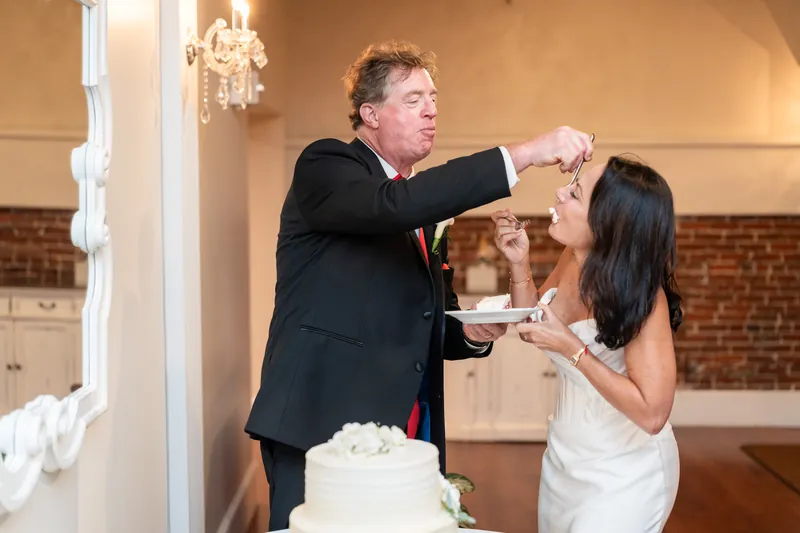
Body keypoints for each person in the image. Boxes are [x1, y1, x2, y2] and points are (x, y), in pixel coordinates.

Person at [244, 39, 594, 531]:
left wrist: (471, 334)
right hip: (318, 422)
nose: (431, 112)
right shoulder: (325, 166)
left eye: (433, 100)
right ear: (370, 113)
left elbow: (430, 321)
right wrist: (530, 151)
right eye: (413, 100)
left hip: (405, 428)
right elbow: (393, 205)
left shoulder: (422, 214)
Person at [491, 155, 682, 532]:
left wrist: (572, 350)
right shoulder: (575, 259)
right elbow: (536, 320)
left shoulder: (646, 297)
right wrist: (519, 262)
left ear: (606, 222)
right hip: (565, 461)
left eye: (575, 193)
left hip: (626, 471)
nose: (560, 192)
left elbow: (652, 414)